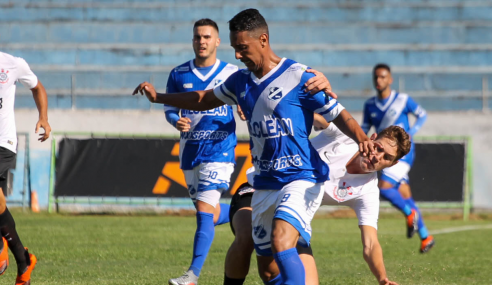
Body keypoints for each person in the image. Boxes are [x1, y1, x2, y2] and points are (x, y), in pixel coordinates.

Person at [134, 9, 374, 285]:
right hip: (264, 183)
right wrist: (159, 98)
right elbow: (203, 98)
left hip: (301, 179)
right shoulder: (240, 81)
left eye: (242, 48)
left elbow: (338, 113)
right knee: (269, 270)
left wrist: (362, 138)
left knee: (282, 241)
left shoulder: (300, 77)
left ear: (263, 39)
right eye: (235, 48)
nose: (237, 55)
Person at [223, 119, 407, 285]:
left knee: (286, 277)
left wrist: (383, 279)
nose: (377, 156)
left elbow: (371, 243)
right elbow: (316, 115)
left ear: (392, 165)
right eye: (379, 147)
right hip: (258, 188)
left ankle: (216, 214)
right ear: (372, 138)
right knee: (246, 238)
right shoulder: (343, 136)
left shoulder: (368, 191)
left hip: (293, 209)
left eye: (387, 158)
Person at [164, 18, 239, 285]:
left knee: (203, 212)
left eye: (207, 37)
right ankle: (248, 210)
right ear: (192, 40)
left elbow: (248, 100)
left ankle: (192, 275)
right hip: (190, 152)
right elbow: (170, 108)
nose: (202, 41)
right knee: (208, 211)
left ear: (218, 41)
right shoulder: (179, 74)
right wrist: (175, 120)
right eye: (197, 37)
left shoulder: (233, 73)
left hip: (220, 151)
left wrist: (243, 108)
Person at [361, 63, 434, 253]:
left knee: (384, 188)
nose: (379, 80)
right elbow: (364, 127)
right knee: (405, 195)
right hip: (383, 154)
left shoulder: (402, 99)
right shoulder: (370, 105)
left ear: (390, 79)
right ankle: (426, 237)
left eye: (383, 77)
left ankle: (410, 215)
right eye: (376, 77)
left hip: (402, 154)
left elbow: (422, 114)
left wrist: (412, 132)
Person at [0, 51, 51, 284]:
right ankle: (23, 260)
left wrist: (43, 117)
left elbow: (38, 87)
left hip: (3, 143)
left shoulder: (12, 64)